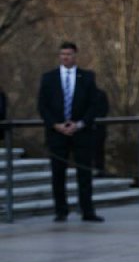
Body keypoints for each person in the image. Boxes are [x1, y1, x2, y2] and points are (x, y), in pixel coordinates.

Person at [37, 41, 103, 222]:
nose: (66, 57)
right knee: (58, 173)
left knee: (84, 173)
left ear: (75, 56)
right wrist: (55, 125)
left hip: (81, 132)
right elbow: (42, 106)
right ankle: (61, 210)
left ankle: (87, 210)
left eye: (69, 54)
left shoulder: (87, 77)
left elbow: (93, 105)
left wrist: (80, 124)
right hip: (57, 133)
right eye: (63, 54)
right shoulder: (49, 78)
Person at [93, 88, 109, 177]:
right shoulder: (82, 92)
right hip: (85, 129)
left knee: (99, 151)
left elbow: (105, 109)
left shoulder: (101, 94)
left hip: (99, 128)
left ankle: (100, 170)